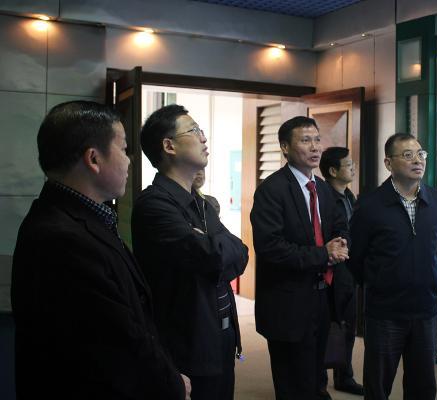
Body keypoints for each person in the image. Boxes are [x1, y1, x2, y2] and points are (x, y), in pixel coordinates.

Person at [11, 101, 190, 400]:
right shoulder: (62, 238)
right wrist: (171, 384)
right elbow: (118, 340)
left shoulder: (81, 217)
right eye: (123, 149)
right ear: (94, 159)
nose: (129, 161)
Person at [131, 105, 248, 400]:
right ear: (169, 146)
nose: (203, 138)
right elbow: (213, 255)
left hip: (223, 334)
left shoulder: (201, 203)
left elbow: (241, 253)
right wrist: (217, 248)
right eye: (194, 130)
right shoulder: (154, 205)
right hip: (189, 340)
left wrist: (216, 247)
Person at [250, 116, 349, 400]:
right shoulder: (271, 190)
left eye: (317, 139)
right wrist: (323, 254)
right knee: (293, 383)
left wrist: (341, 243)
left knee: (316, 377)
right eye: (306, 140)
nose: (315, 147)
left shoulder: (323, 188)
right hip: (287, 301)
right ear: (285, 147)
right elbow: (270, 247)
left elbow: (339, 226)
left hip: (322, 296)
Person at [348, 133, 437, 400]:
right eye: (407, 155)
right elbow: (356, 259)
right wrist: (381, 282)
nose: (417, 160)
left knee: (423, 386)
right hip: (385, 312)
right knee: (378, 386)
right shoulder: (370, 205)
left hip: (425, 310)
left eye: (420, 154)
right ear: (388, 163)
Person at [318, 147, 364, 396]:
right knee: (326, 328)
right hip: (329, 270)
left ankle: (344, 376)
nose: (353, 168)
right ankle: (319, 383)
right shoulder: (322, 197)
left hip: (349, 270)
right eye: (348, 165)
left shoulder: (349, 196)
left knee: (347, 325)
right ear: (333, 171)